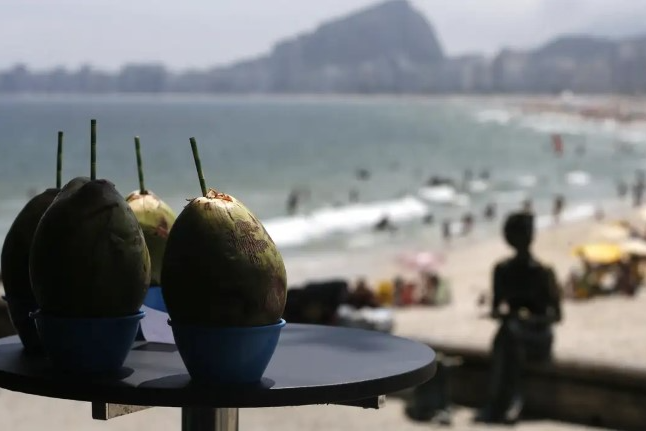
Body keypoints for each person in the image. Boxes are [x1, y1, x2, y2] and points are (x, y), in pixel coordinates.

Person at [475, 212, 562, 424]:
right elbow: (496, 311)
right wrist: (510, 317)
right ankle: (508, 401)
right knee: (509, 334)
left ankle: (501, 402)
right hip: (513, 333)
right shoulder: (502, 270)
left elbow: (556, 316)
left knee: (508, 335)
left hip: (538, 335)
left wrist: (527, 320)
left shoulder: (543, 272)